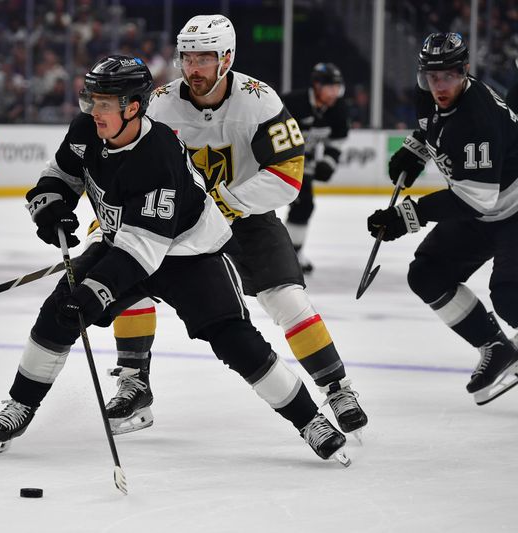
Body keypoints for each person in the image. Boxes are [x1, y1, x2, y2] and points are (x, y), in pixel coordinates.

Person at [0, 55, 350, 465]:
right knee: (59, 312)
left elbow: (144, 249)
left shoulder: (159, 155)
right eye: (92, 100)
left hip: (190, 253)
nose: (93, 111)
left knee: (236, 342)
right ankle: (19, 405)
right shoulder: (87, 130)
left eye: (105, 103)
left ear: (133, 107)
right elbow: (63, 172)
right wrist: (51, 204)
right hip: (125, 242)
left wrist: (97, 290)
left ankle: (310, 420)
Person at [99, 15, 368, 442]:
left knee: (288, 300)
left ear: (227, 58)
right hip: (179, 222)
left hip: (245, 220)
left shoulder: (259, 102)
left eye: (204, 58)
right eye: (188, 57)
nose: (193, 68)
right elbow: (123, 162)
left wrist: (225, 203)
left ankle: (336, 388)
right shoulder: (161, 103)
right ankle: (134, 382)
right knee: (129, 280)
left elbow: (288, 176)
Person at [367, 32, 518, 405]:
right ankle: (495, 346)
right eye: (432, 77)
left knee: (510, 297)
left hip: (511, 210)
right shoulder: (429, 93)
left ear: (465, 71)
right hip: (486, 208)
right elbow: (429, 124)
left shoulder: (478, 118)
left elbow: (474, 200)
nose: (440, 86)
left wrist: (408, 215)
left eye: (449, 76)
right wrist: (414, 151)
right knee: (427, 274)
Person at [282, 63, 350, 273]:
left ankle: (291, 255)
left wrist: (329, 162)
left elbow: (337, 141)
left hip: (302, 164)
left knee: (304, 205)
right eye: (330, 87)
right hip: (272, 160)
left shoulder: (338, 108)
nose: (334, 93)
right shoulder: (292, 102)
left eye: (337, 88)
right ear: (317, 86)